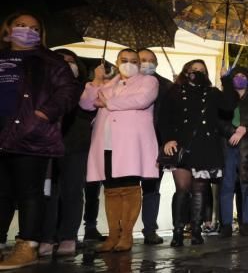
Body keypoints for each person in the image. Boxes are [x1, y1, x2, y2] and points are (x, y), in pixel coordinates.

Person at [0, 11, 81, 270]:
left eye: (34, 28)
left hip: (31, 132)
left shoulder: (50, 61)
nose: (27, 30)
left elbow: (68, 91)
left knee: (28, 191)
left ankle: (28, 245)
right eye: (21, 25)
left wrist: (43, 114)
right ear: (7, 30)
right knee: (1, 192)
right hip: (1, 130)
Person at [80, 49, 159, 252]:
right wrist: (97, 81)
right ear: (116, 62)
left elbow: (140, 101)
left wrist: (108, 102)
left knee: (129, 187)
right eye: (124, 60)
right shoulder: (108, 83)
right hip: (106, 142)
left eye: (134, 61)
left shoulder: (148, 82)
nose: (129, 64)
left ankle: (126, 235)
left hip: (131, 144)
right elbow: (87, 104)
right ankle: (113, 235)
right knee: (111, 190)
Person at [160, 60, 233, 246]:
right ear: (186, 71)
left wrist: (226, 79)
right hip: (181, 145)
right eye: (193, 70)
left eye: (202, 70)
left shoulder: (212, 93)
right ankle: (177, 232)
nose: (197, 73)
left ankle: (196, 231)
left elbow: (229, 105)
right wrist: (168, 138)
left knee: (199, 190)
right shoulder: (175, 91)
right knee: (182, 189)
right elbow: (164, 117)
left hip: (205, 146)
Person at [39, 49, 93, 256]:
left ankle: (68, 235)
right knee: (48, 192)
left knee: (72, 191)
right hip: (47, 144)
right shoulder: (43, 89)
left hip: (75, 144)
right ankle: (46, 236)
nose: (67, 65)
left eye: (71, 62)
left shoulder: (84, 89)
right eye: (62, 61)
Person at [137, 48, 173, 245]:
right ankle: (121, 230)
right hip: (128, 144)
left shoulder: (166, 86)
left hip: (154, 143)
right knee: (127, 189)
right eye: (143, 59)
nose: (147, 63)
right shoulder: (121, 83)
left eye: (151, 60)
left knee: (151, 188)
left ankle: (150, 229)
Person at [219, 66, 248, 237]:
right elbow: (219, 120)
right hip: (229, 146)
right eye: (237, 76)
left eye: (244, 76)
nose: (240, 78)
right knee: (227, 185)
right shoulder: (225, 98)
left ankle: (246, 222)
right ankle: (226, 224)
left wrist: (245, 129)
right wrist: (232, 132)